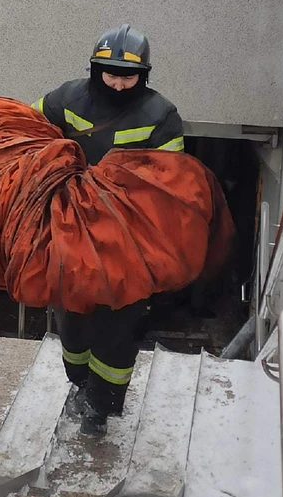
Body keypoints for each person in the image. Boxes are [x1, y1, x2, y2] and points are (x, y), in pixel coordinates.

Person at [32, 24, 185, 437]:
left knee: (120, 320)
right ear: (96, 69)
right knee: (72, 313)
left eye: (129, 76)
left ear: (144, 75)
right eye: (110, 74)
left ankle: (102, 406)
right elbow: (28, 130)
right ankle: (79, 384)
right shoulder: (66, 98)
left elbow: (169, 184)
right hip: (71, 229)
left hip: (128, 235)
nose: (119, 85)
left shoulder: (160, 115)